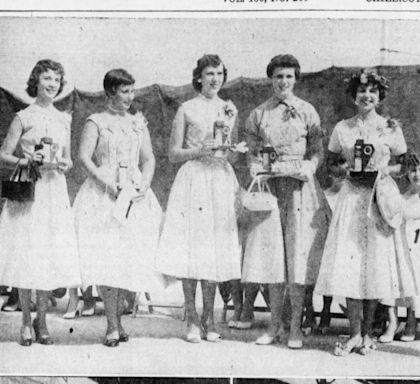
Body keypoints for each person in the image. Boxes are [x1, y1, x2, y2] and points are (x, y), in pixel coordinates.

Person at [314, 70, 416, 356]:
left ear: (379, 96)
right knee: (351, 266)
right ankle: (353, 333)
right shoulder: (342, 128)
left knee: (375, 267)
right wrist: (345, 169)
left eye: (372, 91)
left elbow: (404, 165)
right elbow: (331, 164)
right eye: (361, 91)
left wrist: (384, 170)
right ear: (354, 96)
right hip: (352, 199)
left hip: (379, 199)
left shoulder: (390, 127)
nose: (366, 96)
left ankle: (369, 333)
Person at [243, 54, 331, 349]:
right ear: (271, 79)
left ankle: (295, 327)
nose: (283, 82)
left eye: (289, 77)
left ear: (296, 79)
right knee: (273, 257)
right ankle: (274, 325)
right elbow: (252, 151)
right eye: (279, 76)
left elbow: (317, 149)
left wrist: (310, 166)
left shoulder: (307, 111)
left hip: (300, 189)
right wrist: (255, 165)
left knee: (297, 257)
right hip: (271, 189)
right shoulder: (259, 114)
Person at [74, 68, 163, 347]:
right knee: (106, 258)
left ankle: (120, 320)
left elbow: (148, 159)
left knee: (128, 259)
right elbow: (84, 157)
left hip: (134, 194)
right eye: (125, 91)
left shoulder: (138, 122)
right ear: (110, 92)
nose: (130, 96)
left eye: (132, 91)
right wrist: (107, 183)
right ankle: (112, 324)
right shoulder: (96, 121)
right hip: (104, 194)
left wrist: (144, 185)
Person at [156, 54, 241, 343]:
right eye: (209, 74)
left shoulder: (230, 109)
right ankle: (191, 316)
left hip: (220, 179)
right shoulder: (186, 108)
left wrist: (228, 150)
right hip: (193, 180)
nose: (214, 79)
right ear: (199, 77)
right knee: (191, 248)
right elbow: (172, 154)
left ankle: (210, 316)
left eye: (219, 73)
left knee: (214, 249)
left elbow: (229, 150)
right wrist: (199, 151)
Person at [0, 59, 81, 346]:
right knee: (26, 255)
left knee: (49, 256)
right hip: (28, 189)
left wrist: (63, 164)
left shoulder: (64, 118)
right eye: (47, 78)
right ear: (36, 81)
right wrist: (27, 160)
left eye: (57, 81)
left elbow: (68, 158)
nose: (52, 85)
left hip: (53, 190)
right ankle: (24, 321)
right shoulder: (23, 116)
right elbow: (3, 155)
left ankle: (43, 320)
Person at [379, 153, 420, 343]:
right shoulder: (402, 198)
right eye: (413, 170)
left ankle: (417, 321)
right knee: (399, 274)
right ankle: (400, 321)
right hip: (406, 248)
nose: (417, 174)